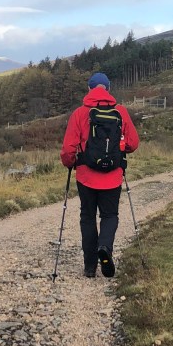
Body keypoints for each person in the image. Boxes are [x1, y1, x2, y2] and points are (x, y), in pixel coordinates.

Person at [60, 72, 139, 278]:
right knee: (109, 215)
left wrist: (71, 163)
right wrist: (119, 152)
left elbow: (68, 149)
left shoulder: (79, 114)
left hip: (86, 176)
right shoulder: (120, 112)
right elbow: (133, 143)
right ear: (108, 89)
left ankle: (89, 267)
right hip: (112, 176)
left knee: (87, 217)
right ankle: (104, 248)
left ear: (89, 89)